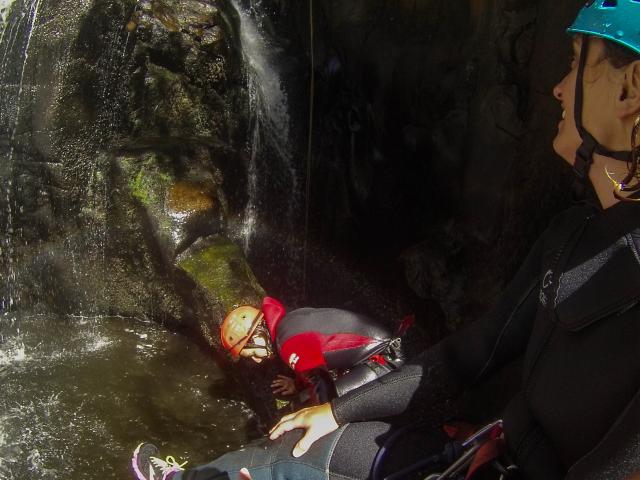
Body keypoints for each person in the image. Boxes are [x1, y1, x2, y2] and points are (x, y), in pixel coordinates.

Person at [131, 2, 640, 479]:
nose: (557, 87)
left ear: (629, 89)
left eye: (576, 63)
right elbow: (469, 354)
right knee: (281, 454)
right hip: (491, 451)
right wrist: (335, 412)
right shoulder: (571, 234)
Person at [220, 297, 406, 405]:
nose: (257, 360)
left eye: (252, 353)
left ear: (257, 335)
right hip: (383, 349)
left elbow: (322, 387)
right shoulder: (290, 321)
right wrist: (298, 383)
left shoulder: (288, 343)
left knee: (303, 407)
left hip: (386, 361)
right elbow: (315, 362)